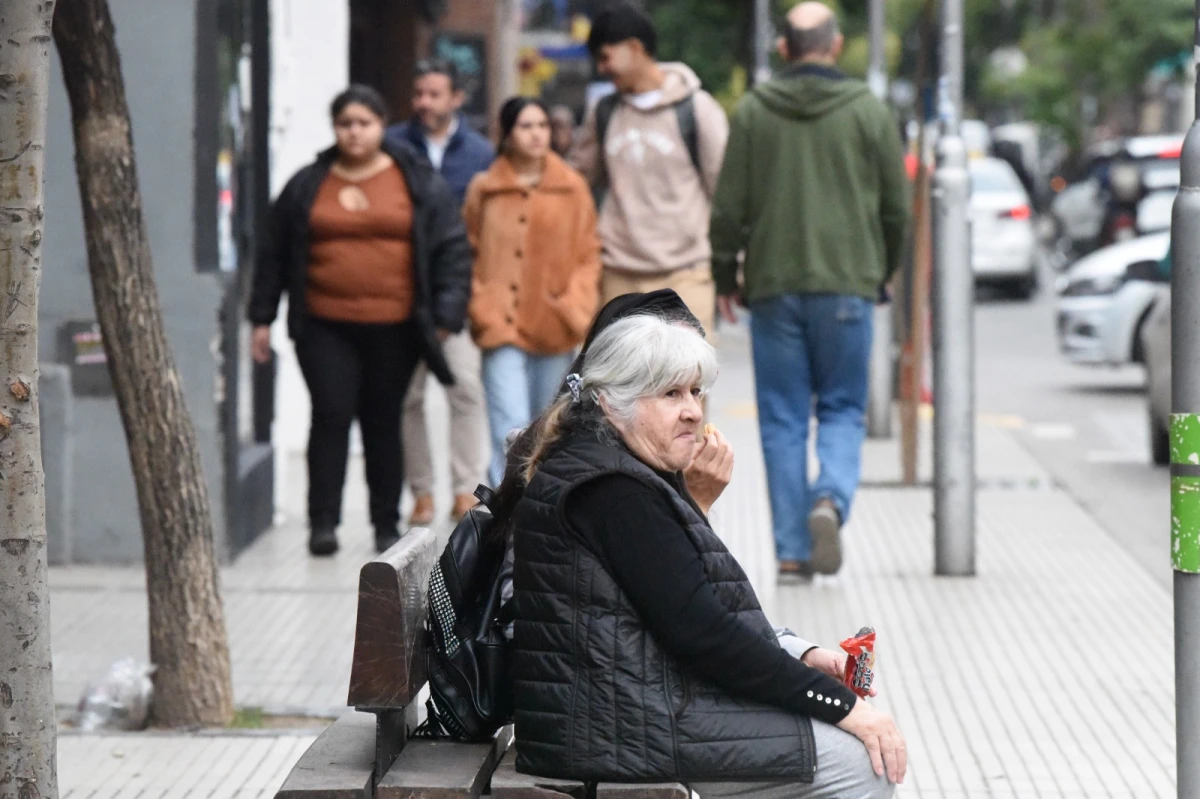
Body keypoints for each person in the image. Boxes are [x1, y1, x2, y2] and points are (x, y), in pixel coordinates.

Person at [500, 308, 906, 798]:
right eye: (670, 394)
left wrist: (798, 654)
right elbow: (703, 633)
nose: (693, 410)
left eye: (695, 392)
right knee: (863, 763)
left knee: (850, 747)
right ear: (612, 403)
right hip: (620, 727)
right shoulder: (614, 491)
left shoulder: (607, 466)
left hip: (619, 711)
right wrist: (843, 706)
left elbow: (684, 608)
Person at [709, 2, 910, 580]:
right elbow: (897, 209)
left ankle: (792, 553)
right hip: (848, 284)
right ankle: (830, 498)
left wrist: (725, 276)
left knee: (783, 419)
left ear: (784, 49)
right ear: (836, 45)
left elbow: (728, 209)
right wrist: (881, 270)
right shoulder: (868, 110)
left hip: (773, 287)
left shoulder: (754, 111)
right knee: (844, 407)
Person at [249, 85, 471, 556]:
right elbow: (273, 252)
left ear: (381, 125)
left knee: (383, 421)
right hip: (323, 325)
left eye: (364, 123)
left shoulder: (416, 180)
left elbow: (451, 246)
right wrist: (261, 317)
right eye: (345, 124)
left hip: (396, 327)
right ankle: (323, 523)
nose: (354, 132)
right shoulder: (308, 183)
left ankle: (385, 523)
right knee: (330, 414)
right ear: (335, 129)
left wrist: (447, 314)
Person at [464, 98, 602, 486]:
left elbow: (589, 254)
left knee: (549, 427)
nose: (537, 134)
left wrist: (574, 307)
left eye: (542, 125)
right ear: (507, 134)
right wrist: (479, 301)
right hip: (499, 322)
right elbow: (468, 249)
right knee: (507, 425)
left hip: (553, 322)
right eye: (525, 126)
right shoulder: (485, 188)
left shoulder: (572, 187)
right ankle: (501, 511)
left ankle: (541, 509)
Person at [570, 3, 729, 334]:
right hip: (618, 273)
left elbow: (725, 191)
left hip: (686, 273)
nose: (602, 69)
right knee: (619, 368)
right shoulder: (604, 112)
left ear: (634, 48)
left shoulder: (696, 108)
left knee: (687, 367)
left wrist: (734, 266)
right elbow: (576, 181)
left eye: (605, 57)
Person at [386, 59, 494, 524]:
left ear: (456, 98)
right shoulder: (392, 146)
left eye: (434, 94)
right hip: (402, 296)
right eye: (418, 94)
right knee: (407, 397)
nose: (424, 103)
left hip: (458, 293)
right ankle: (422, 493)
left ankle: (466, 489)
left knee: (465, 389)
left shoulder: (481, 154)